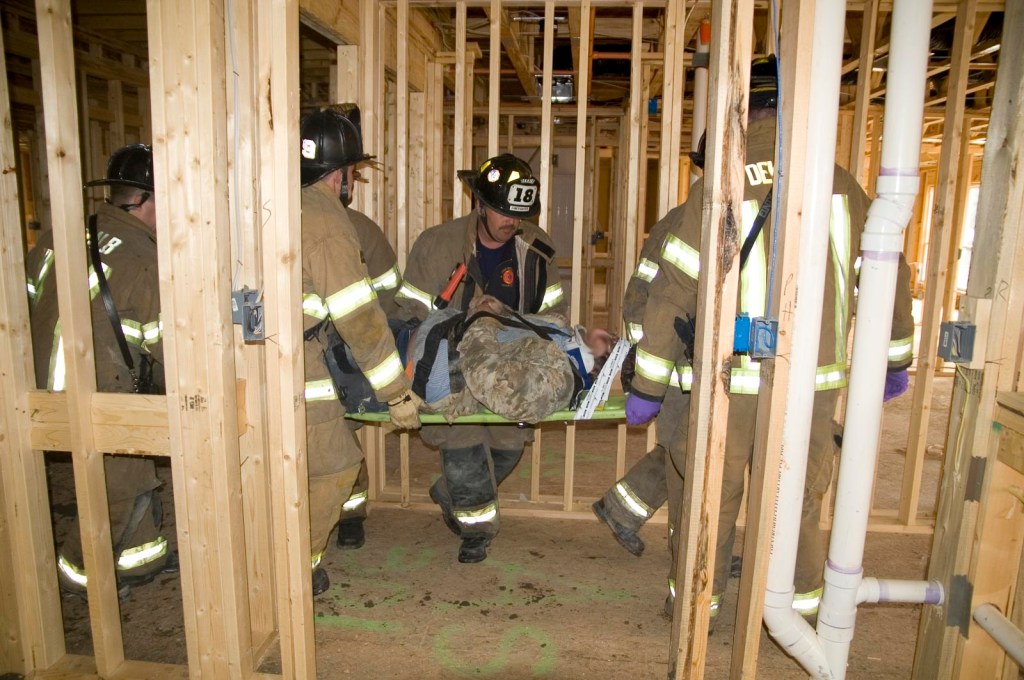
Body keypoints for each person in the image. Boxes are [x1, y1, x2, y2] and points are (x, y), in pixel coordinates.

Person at [623, 55, 915, 625]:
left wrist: (649, 384)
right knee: (796, 503)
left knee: (711, 500)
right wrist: (893, 357)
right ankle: (796, 616)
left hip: (728, 386)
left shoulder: (719, 188)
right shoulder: (839, 185)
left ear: (743, 111)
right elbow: (889, 277)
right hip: (811, 388)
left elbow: (671, 290)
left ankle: (696, 613)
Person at [394, 153, 567, 563]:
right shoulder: (436, 245)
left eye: (519, 215)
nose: (512, 222)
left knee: (510, 442)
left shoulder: (537, 249)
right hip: (449, 369)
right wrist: (459, 321)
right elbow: (408, 317)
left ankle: (449, 493)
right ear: (480, 204)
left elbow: (554, 317)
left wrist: (505, 316)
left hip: (509, 367)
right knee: (463, 440)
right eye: (503, 212)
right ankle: (476, 529)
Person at [27, 144, 175, 597]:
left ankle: (141, 559)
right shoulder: (143, 258)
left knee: (123, 471)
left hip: (36, 388)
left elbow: (26, 301)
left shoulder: (58, 237)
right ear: (149, 199)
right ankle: (78, 576)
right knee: (123, 484)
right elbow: (166, 346)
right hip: (96, 391)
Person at [299, 108, 423, 595]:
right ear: (341, 173)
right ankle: (295, 568)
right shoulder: (326, 219)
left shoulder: (279, 204)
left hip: (259, 356)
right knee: (335, 463)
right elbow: (359, 317)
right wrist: (396, 393)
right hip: (296, 362)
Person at [324, 104, 404, 552]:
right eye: (351, 172)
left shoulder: (362, 232)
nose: (351, 181)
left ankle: (351, 514)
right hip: (309, 360)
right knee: (326, 449)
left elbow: (388, 301)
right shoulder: (335, 229)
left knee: (340, 441)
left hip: (344, 359)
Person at [401, 293, 615, 422]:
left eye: (612, 343)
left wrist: (481, 318)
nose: (612, 333)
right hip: (420, 332)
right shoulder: (564, 337)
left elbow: (486, 378)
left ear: (597, 367)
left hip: (410, 367)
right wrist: (502, 311)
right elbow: (515, 335)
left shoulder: (556, 383)